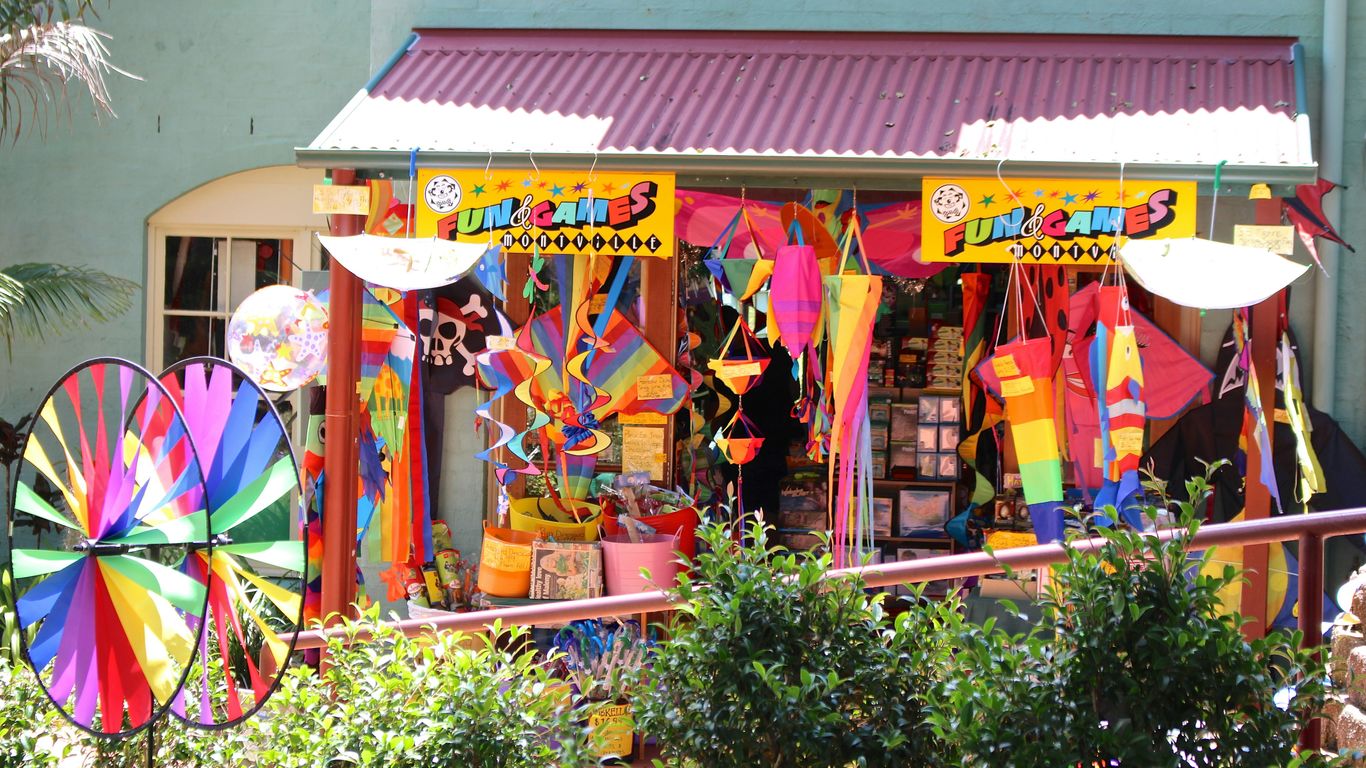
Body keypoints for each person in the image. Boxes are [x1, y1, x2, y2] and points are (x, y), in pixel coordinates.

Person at [713, 306, 796, 523]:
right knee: (758, 492)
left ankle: (754, 529)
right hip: (762, 435)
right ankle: (758, 529)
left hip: (755, 436)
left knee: (752, 492)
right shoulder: (773, 354)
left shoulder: (729, 360)